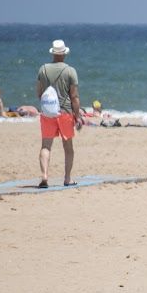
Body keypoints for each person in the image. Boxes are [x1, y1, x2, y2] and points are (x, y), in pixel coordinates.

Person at [36, 39, 82, 188]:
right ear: (64, 54)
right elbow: (74, 96)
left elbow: (39, 93)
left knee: (46, 146)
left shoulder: (42, 69)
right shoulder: (70, 71)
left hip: (48, 112)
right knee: (68, 147)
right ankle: (67, 178)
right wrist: (78, 116)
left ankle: (44, 176)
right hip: (65, 112)